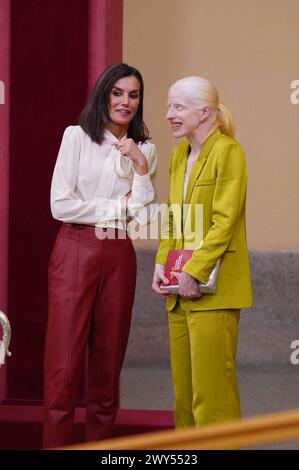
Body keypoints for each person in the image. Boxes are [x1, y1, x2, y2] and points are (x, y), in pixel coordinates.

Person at [43, 63, 157, 448]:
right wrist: (116, 206)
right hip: (75, 248)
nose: (126, 101)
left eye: (134, 95)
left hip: (119, 254)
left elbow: (141, 215)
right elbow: (61, 205)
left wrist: (140, 171)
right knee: (63, 367)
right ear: (104, 94)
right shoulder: (76, 137)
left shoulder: (146, 150)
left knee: (108, 370)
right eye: (118, 92)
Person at [152, 76, 253, 429]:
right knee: (185, 397)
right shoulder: (180, 154)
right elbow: (173, 216)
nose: (169, 115)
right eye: (169, 106)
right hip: (178, 290)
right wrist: (162, 263)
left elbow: (224, 222)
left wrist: (193, 270)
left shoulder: (229, 152)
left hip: (215, 289)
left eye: (177, 107)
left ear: (204, 112)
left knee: (213, 397)